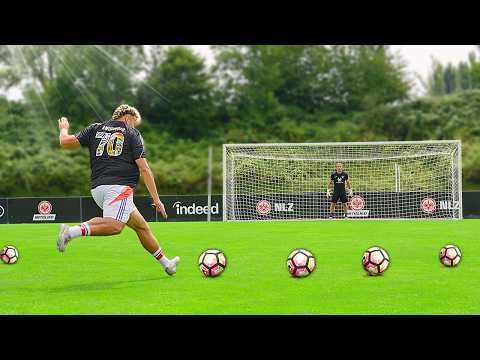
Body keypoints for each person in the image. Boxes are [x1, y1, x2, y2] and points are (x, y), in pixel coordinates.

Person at [56, 104, 180, 275]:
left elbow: (65, 142)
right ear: (128, 117)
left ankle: (167, 264)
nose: (134, 126)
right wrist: (157, 200)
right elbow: (144, 169)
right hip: (119, 188)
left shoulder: (95, 128)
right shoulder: (131, 133)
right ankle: (71, 232)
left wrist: (64, 128)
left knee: (141, 227)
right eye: (134, 122)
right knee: (115, 226)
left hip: (98, 188)